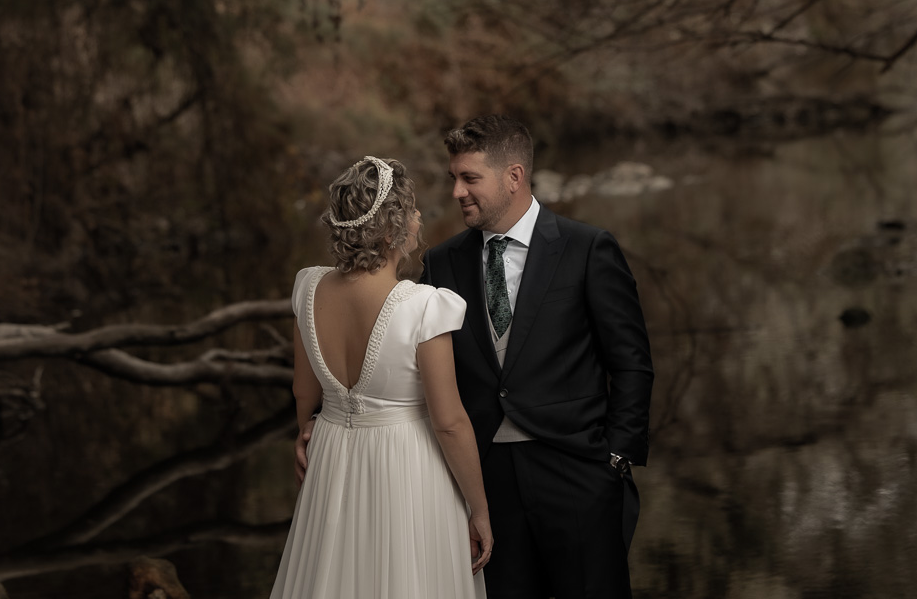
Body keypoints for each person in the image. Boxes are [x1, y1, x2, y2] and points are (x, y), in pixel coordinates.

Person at [422, 115, 654, 599]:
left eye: (470, 179)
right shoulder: (441, 263)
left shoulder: (587, 248)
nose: (457, 192)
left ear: (514, 176)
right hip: (486, 483)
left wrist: (614, 457)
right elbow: (416, 365)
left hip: (577, 472)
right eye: (454, 179)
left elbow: (630, 361)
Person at [270, 155, 493, 599]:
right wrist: (480, 509)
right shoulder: (423, 306)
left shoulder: (309, 288)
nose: (418, 218)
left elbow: (303, 390)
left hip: (332, 454)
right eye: (410, 211)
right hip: (408, 466)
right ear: (391, 230)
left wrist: (304, 431)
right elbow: (449, 422)